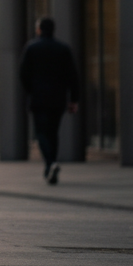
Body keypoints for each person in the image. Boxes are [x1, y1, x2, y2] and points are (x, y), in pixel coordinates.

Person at [19, 16, 80, 185]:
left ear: (39, 29)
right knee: (53, 133)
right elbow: (73, 76)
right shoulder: (63, 49)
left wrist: (31, 90)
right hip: (58, 99)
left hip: (39, 98)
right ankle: (50, 167)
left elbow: (23, 74)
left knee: (41, 133)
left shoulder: (32, 48)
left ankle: (51, 163)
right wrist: (74, 99)